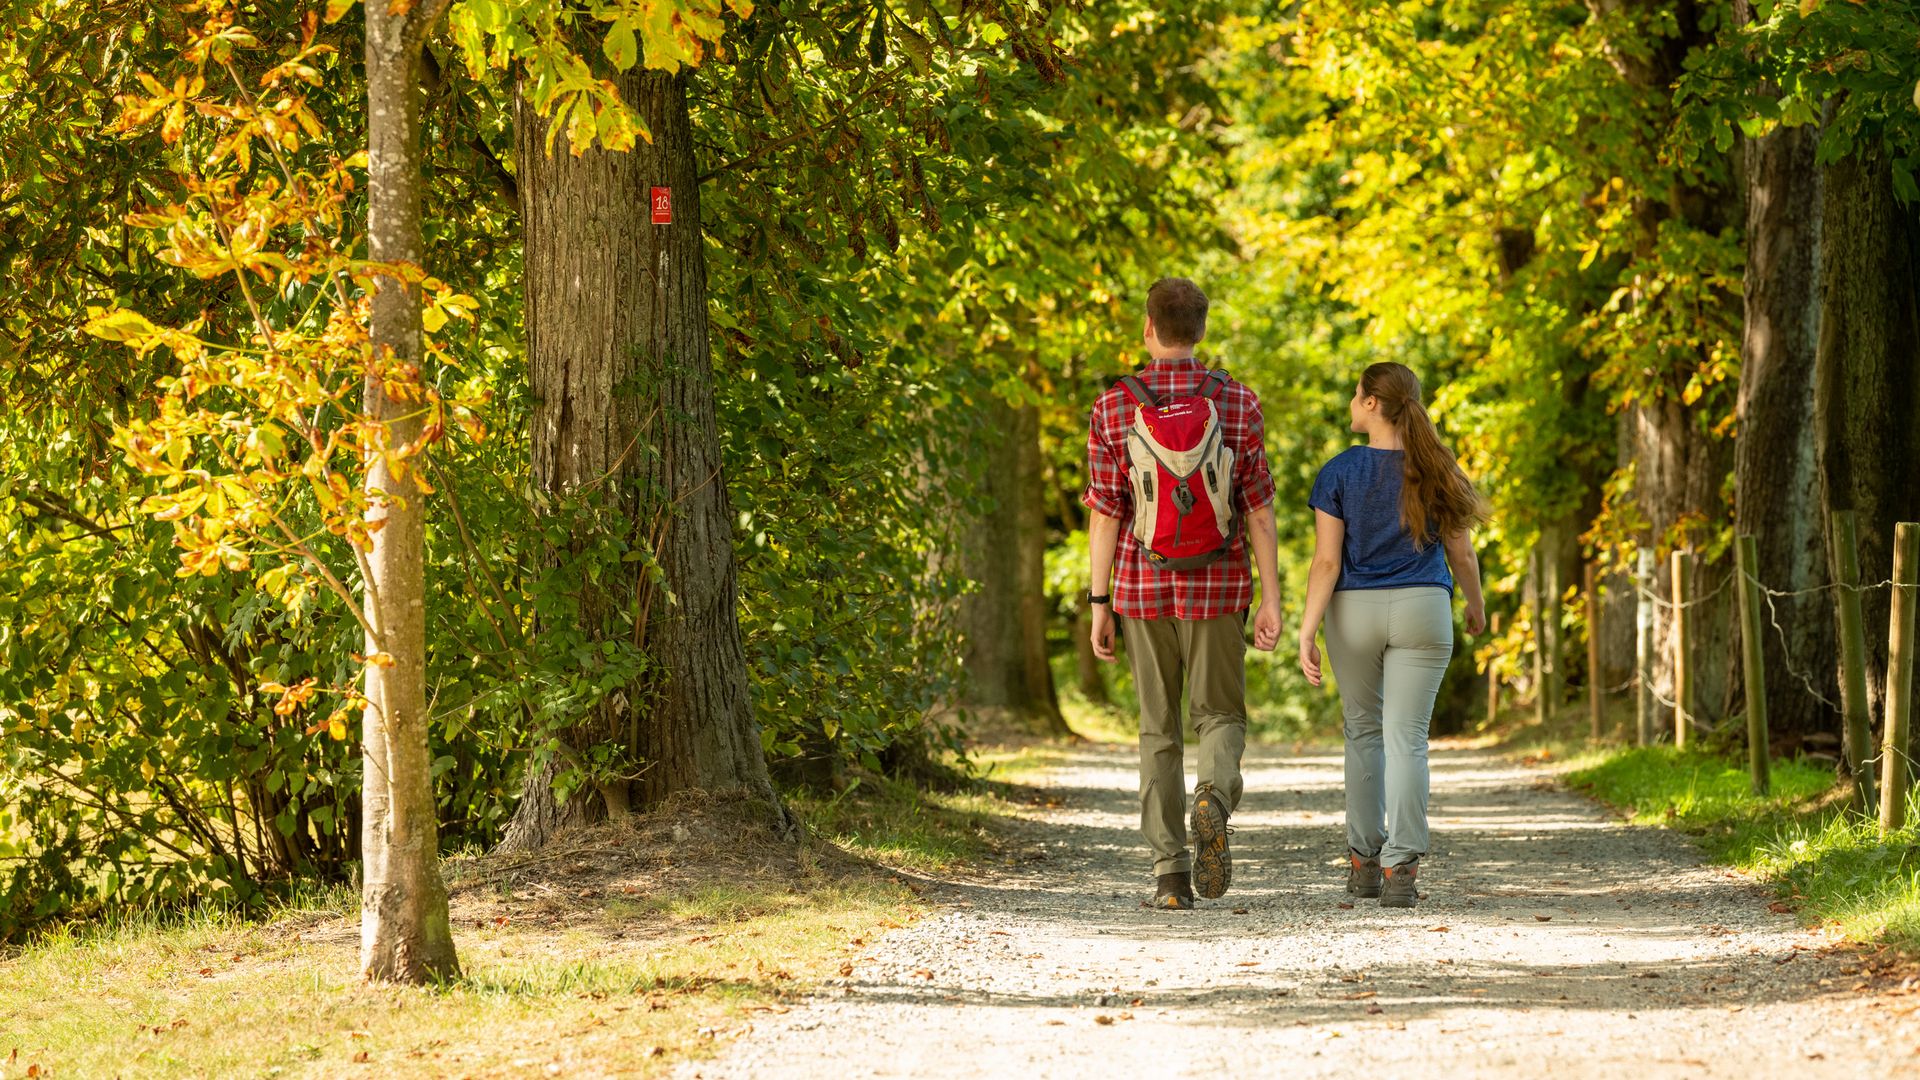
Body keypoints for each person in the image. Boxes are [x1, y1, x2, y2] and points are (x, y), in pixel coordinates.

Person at [1084, 277, 1283, 911]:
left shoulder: (1114, 406)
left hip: (1141, 590)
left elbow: (1106, 514)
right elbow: (1258, 511)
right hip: (1220, 585)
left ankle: (1170, 875)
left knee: (1157, 730)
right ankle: (1214, 800)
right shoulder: (1238, 401)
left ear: (1148, 327)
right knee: (1219, 716)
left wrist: (1098, 602)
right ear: (1200, 330)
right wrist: (1273, 598)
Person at [1296, 362, 1488, 909]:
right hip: (1424, 607)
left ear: (1374, 404)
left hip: (1353, 613)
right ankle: (1400, 867)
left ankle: (1362, 862)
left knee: (1363, 733)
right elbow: (1462, 553)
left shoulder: (1338, 472)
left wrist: (1307, 631)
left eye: (1357, 395)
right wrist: (1475, 606)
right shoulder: (1439, 467)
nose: (1352, 404)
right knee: (1408, 739)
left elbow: (1327, 563)